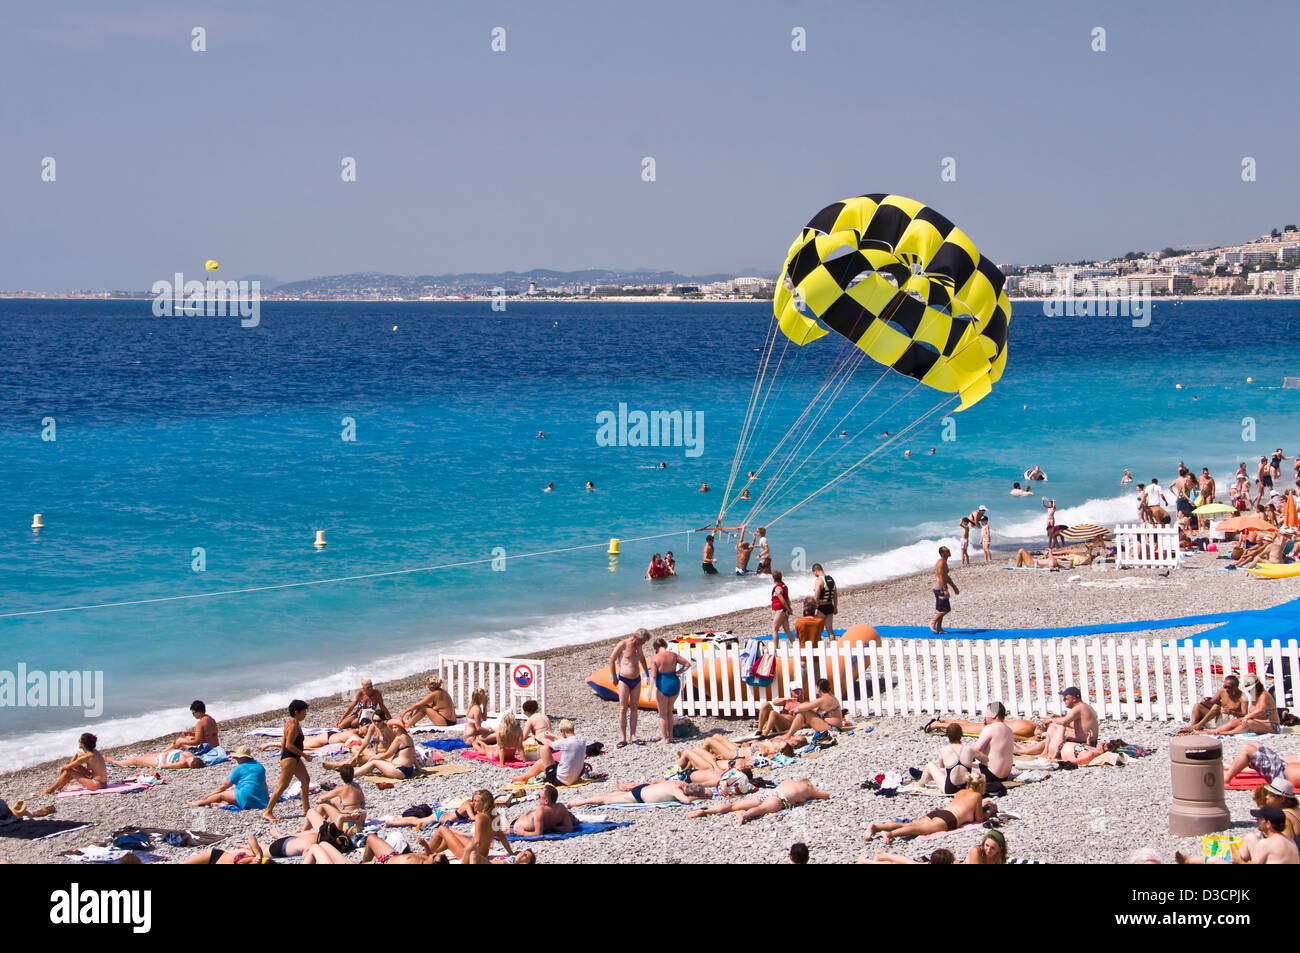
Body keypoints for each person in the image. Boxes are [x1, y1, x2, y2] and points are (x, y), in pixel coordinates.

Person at [864, 774, 997, 844]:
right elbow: (979, 819)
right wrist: (989, 811)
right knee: (917, 829)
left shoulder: (961, 792)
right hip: (950, 819)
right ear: (980, 786)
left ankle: (876, 827)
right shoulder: (977, 796)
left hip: (940, 812)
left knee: (910, 824)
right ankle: (889, 834)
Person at [686, 777, 832, 825]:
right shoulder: (808, 789)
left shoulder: (788, 780)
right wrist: (828, 794)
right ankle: (744, 815)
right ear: (808, 784)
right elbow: (824, 795)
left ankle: (704, 811)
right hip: (780, 798)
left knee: (733, 805)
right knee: (762, 809)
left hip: (769, 792)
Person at [263, 700, 312, 822]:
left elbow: (283, 742)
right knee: (283, 786)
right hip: (289, 758)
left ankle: (306, 809)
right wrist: (304, 755)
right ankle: (268, 812)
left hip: (294, 758)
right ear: (296, 712)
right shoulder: (293, 725)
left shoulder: (294, 723)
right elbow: (289, 745)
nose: (305, 714)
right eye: (304, 711)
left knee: (305, 779)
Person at [1014, 687, 1098, 759]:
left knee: (1055, 728)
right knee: (1050, 738)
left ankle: (1027, 751)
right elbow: (1075, 725)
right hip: (1087, 742)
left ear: (1074, 698)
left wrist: (1051, 720)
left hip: (1084, 744)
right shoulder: (1084, 707)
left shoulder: (1078, 708)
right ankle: (1024, 749)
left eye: (1066, 698)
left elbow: (1064, 722)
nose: (1064, 700)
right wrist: (1057, 717)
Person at [188, 745, 268, 810]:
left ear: (242, 757)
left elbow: (225, 785)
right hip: (260, 799)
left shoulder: (240, 768)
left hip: (246, 797)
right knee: (232, 793)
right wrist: (266, 797)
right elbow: (264, 784)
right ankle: (223, 804)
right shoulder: (259, 766)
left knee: (222, 795)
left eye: (237, 757)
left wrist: (210, 794)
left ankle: (199, 802)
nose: (236, 759)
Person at [509, 719, 585, 786]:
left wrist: (541, 737)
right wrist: (552, 735)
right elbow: (565, 740)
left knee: (543, 750)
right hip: (574, 777)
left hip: (560, 780)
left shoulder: (565, 743)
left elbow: (549, 744)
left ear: (563, 732)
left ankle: (524, 777)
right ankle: (524, 777)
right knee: (543, 762)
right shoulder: (581, 740)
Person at [1197, 673, 1278, 735]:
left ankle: (1227, 733)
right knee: (1235, 721)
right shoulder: (1254, 696)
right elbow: (1213, 702)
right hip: (1258, 722)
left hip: (1271, 725)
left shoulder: (1264, 695)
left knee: (1248, 723)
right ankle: (1212, 732)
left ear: (1257, 686)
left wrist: (1247, 717)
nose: (1249, 691)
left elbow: (1261, 710)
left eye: (1250, 689)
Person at [905, 723, 976, 793]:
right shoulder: (969, 749)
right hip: (966, 787)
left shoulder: (944, 750)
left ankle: (919, 784)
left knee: (930, 766)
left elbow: (942, 768)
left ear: (948, 736)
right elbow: (985, 760)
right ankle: (925, 776)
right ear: (961, 734)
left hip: (950, 789)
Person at [339, 719, 420, 779]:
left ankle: (351, 775)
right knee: (376, 759)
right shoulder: (408, 737)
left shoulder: (398, 739)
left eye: (396, 728)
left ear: (401, 728)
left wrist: (375, 757)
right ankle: (353, 770)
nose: (394, 730)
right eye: (393, 728)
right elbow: (412, 754)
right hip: (409, 770)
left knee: (374, 762)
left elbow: (388, 754)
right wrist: (418, 768)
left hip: (401, 771)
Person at [610, 629, 651, 746]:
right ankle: (623, 737)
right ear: (637, 638)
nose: (643, 644)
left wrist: (647, 674)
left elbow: (642, 659)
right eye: (643, 641)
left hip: (636, 679)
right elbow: (612, 659)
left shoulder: (639, 646)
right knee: (623, 708)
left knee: (634, 707)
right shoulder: (623, 644)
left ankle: (633, 735)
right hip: (624, 679)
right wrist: (614, 676)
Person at [649, 638, 690, 744]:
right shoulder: (674, 655)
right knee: (669, 711)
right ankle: (671, 736)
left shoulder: (655, 658)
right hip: (675, 683)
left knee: (662, 714)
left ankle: (665, 738)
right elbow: (687, 664)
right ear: (665, 645)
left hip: (663, 685)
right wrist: (678, 671)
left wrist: (650, 691)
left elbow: (653, 675)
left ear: (656, 648)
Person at [39, 733, 108, 795]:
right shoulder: (94, 752)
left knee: (68, 770)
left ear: (83, 744)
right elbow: (80, 757)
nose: (78, 741)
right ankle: (59, 787)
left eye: (80, 740)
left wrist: (61, 773)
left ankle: (49, 790)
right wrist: (75, 757)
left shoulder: (87, 756)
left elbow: (66, 767)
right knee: (74, 763)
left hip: (96, 785)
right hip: (102, 782)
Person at [971, 702, 1015, 793]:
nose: (985, 716)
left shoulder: (990, 728)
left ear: (994, 714)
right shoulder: (1009, 730)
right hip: (1005, 775)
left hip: (990, 774)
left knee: (959, 766)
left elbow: (974, 751)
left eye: (987, 713)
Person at [570, 779, 709, 807]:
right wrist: (702, 797)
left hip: (643, 788)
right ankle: (578, 802)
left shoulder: (677, 783)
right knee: (607, 800)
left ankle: (579, 801)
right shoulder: (678, 791)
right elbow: (685, 801)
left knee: (611, 795)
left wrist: (704, 792)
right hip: (641, 796)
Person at [1224, 741, 1300, 790]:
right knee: (1256, 744)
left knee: (1247, 749)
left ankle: (1226, 779)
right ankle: (1238, 764)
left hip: (1280, 776)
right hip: (1282, 766)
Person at [1235, 807, 1299, 864]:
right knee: (1250, 838)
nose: (1256, 819)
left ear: (1268, 824)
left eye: (1260, 818)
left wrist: (1238, 861)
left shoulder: (1266, 843)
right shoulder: (1291, 842)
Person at [315, 764, 366, 830]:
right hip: (360, 820)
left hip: (346, 822)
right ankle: (323, 819)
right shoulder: (357, 786)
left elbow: (321, 799)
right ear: (353, 775)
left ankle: (315, 824)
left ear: (340, 776)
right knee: (334, 800)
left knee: (323, 804)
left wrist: (317, 800)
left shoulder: (341, 790)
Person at [510, 784, 576, 835]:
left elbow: (538, 833)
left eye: (539, 797)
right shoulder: (561, 808)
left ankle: (505, 819)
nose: (538, 799)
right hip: (521, 822)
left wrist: (524, 833)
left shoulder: (541, 810)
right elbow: (569, 828)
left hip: (515, 827)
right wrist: (554, 828)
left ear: (546, 801)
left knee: (504, 829)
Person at [932, 546, 958, 634]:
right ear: (943, 554)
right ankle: (933, 623)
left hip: (941, 587)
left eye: (948, 550)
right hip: (940, 588)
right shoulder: (941, 563)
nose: (949, 551)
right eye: (947, 551)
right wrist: (945, 589)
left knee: (942, 609)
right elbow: (941, 577)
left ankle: (939, 628)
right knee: (945, 609)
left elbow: (946, 577)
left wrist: (954, 586)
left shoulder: (944, 562)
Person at [108, 748, 206, 770]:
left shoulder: (183, 762)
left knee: (136, 761)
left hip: (160, 760)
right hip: (165, 755)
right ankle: (128, 758)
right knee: (144, 757)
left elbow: (163, 766)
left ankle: (115, 762)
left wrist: (164, 755)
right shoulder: (193, 757)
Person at [812, 563, 838, 640]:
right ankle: (834, 647)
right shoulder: (831, 579)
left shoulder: (819, 580)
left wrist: (815, 608)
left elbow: (816, 596)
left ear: (815, 571)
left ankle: (819, 649)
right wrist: (835, 607)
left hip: (821, 608)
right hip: (830, 606)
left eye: (814, 573)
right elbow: (835, 594)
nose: (814, 575)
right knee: (830, 629)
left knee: (817, 630)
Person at [770, 569, 793, 640]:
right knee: (787, 629)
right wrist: (789, 608)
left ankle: (775, 649)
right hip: (785, 610)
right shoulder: (784, 586)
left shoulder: (777, 588)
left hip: (781, 610)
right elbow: (787, 598)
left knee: (774, 629)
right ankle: (794, 643)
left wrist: (788, 609)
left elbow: (782, 600)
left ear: (773, 578)